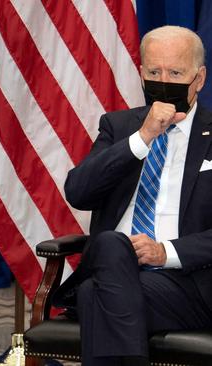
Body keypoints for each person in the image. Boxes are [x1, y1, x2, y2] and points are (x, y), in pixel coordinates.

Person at [53, 25, 212, 366]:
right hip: (118, 269)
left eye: (176, 72)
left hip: (189, 282)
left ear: (199, 79)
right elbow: (78, 192)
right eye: (154, 72)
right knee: (113, 246)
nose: (164, 81)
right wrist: (141, 139)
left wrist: (163, 252)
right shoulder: (120, 127)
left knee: (95, 293)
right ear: (141, 74)